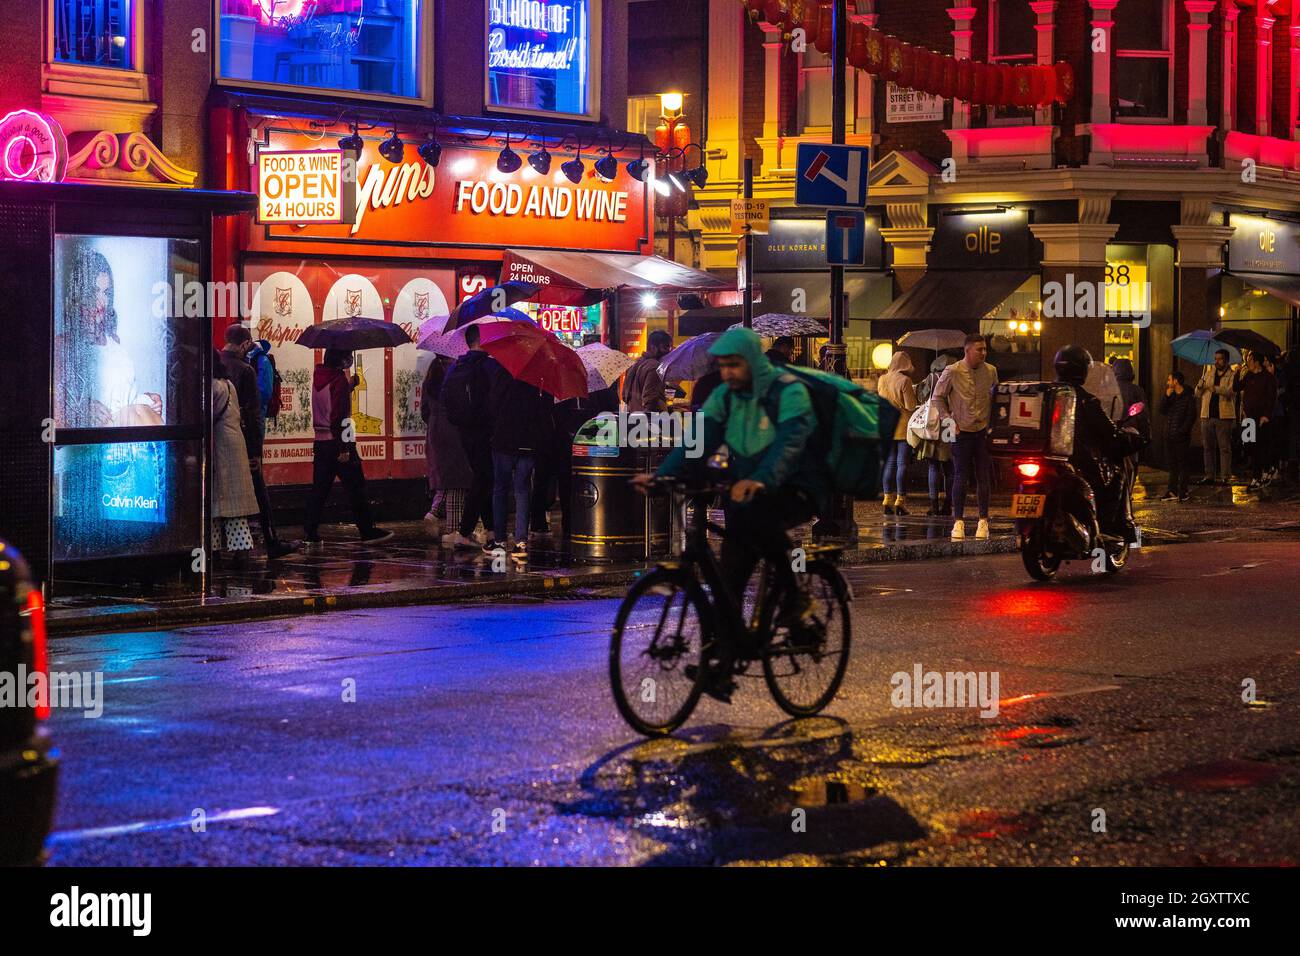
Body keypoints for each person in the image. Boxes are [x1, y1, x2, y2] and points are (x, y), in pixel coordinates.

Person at [632, 327, 827, 703]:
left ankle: (796, 600)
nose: (726, 373)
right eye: (722, 366)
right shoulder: (724, 396)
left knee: (765, 527)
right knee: (729, 579)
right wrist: (664, 476)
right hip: (745, 490)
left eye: (734, 365)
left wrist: (761, 479)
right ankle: (722, 665)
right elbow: (698, 440)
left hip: (796, 482)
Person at [1053, 345, 1146, 542]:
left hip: (1050, 457)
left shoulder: (1049, 393)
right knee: (1115, 475)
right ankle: (1107, 527)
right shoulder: (1086, 401)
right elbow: (1108, 432)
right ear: (1082, 370)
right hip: (1079, 458)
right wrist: (1128, 438)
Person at [302, 348, 393, 547]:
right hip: (340, 440)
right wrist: (344, 447)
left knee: (320, 488)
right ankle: (368, 531)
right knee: (356, 488)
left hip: (321, 441)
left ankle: (310, 531)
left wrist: (349, 386)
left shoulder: (320, 377)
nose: (350, 360)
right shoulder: (338, 380)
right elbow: (339, 416)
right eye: (347, 357)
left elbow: (328, 403)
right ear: (341, 359)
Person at [222, 325, 293, 558]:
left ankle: (219, 544)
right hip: (241, 437)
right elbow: (253, 412)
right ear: (245, 344)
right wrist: (255, 452)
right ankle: (271, 540)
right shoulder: (245, 370)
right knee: (257, 486)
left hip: (218, 438)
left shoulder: (215, 365)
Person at [931, 333, 998, 540]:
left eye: (985, 349)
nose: (983, 353)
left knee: (983, 476)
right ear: (967, 350)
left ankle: (983, 521)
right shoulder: (952, 371)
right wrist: (949, 421)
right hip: (960, 431)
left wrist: (993, 425)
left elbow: (996, 397)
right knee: (960, 475)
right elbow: (937, 398)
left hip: (982, 430)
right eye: (979, 350)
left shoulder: (991, 371)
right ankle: (958, 521)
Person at [440, 324, 500, 548]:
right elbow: (496, 399)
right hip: (486, 429)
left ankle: (492, 530)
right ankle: (465, 532)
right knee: (484, 478)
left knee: (482, 477)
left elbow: (444, 398)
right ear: (482, 340)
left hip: (464, 431)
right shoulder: (489, 366)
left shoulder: (457, 365)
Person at [485, 367, 554, 560]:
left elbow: (492, 406)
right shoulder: (539, 375)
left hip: (504, 441)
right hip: (528, 442)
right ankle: (520, 542)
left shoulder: (500, 371)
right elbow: (546, 409)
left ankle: (499, 540)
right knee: (522, 489)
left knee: (500, 488)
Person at [211, 349, 260, 561]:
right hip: (235, 443)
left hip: (220, 445)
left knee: (216, 500)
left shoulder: (212, 387)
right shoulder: (228, 384)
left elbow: (207, 416)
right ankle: (240, 550)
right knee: (234, 503)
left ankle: (214, 550)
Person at [420, 354, 472, 538]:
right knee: (457, 479)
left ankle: (435, 513)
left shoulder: (430, 377)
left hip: (435, 429)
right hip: (453, 429)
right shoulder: (455, 374)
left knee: (446, 476)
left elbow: (424, 411)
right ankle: (453, 529)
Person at [913, 352, 956, 515]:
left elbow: (921, 396)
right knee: (949, 466)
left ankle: (934, 505)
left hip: (932, 424)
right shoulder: (957, 377)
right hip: (950, 423)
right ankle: (948, 504)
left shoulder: (931, 378)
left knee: (933, 466)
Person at [876, 351, 917, 516]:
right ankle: (900, 501)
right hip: (902, 426)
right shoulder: (905, 380)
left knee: (889, 463)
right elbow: (910, 405)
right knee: (902, 464)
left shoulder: (882, 379)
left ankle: (887, 499)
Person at [1234, 350, 1278, 490]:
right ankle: (1266, 468)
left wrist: (1266, 415)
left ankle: (1257, 477)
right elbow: (1236, 387)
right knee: (1249, 445)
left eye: (1250, 359)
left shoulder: (1267, 377)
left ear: (1256, 361)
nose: (1248, 362)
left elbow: (1271, 398)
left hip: (1261, 418)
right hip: (1249, 417)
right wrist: (1237, 373)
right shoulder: (1248, 375)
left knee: (1260, 447)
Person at [1195, 348, 1237, 485]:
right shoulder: (1208, 374)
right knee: (1208, 447)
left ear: (1226, 360)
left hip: (1224, 416)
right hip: (1206, 415)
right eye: (1216, 358)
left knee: (1224, 448)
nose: (1217, 361)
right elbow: (1197, 394)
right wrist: (1200, 386)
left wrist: (1215, 388)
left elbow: (1231, 392)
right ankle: (1209, 475)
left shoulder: (1232, 374)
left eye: (1220, 359)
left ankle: (1225, 476)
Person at [1159, 370, 1196, 501]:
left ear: (1176, 381)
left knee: (1183, 464)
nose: (1167, 383)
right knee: (1172, 465)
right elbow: (1161, 410)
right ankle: (1172, 491)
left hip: (1181, 437)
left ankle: (1183, 491)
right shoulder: (1171, 395)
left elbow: (1191, 417)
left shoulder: (1189, 397)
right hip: (1169, 435)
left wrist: (1182, 431)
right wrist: (1166, 397)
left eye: (1169, 380)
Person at [622, 330, 673, 413]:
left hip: (632, 416)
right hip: (649, 421)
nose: (669, 351)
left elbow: (624, 396)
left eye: (670, 347)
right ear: (653, 348)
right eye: (665, 347)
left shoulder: (633, 363)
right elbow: (650, 400)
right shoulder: (655, 367)